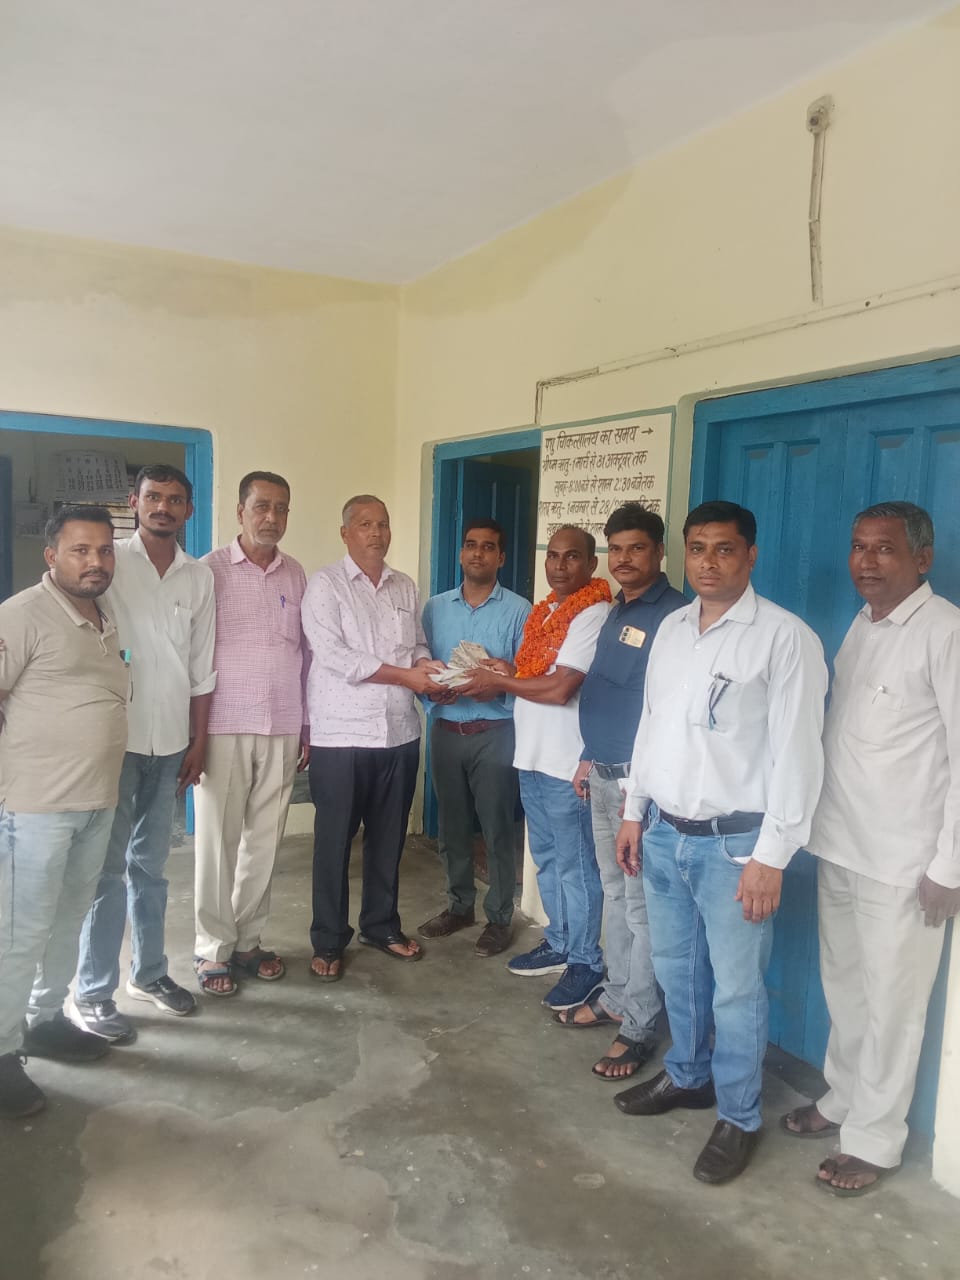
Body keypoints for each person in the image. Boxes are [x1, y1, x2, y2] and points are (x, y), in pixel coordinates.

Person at [614, 500, 827, 1185]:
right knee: (677, 969)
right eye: (699, 548)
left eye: (725, 549)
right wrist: (633, 810)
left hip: (736, 847)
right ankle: (687, 1075)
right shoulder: (673, 629)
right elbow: (650, 725)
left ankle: (738, 1115)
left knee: (736, 992)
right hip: (665, 834)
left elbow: (799, 756)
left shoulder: (783, 639)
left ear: (750, 555)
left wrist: (772, 855)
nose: (709, 562)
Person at [781, 502, 960, 1196]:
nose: (866, 561)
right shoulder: (863, 624)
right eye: (859, 547)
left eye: (884, 549)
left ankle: (877, 1139)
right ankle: (844, 1098)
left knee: (893, 1006)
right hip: (841, 842)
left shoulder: (945, 632)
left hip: (904, 863)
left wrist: (949, 865)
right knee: (846, 986)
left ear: (923, 558)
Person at [72, 466, 216, 1040]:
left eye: (175, 500)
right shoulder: (109, 564)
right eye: (154, 497)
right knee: (104, 871)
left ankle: (150, 973)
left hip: (171, 743)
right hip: (116, 742)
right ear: (134, 502)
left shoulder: (197, 577)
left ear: (189, 510)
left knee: (151, 868)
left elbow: (202, 668)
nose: (163, 507)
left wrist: (198, 740)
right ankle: (92, 991)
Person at [0, 507, 128, 1117]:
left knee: (69, 917)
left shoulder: (105, 614)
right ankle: (1, 1051)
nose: (95, 562)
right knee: (20, 931)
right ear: (51, 555)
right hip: (36, 806)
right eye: (81, 550)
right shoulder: (22, 614)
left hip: (96, 801)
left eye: (104, 550)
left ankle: (45, 1018)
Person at [460, 526, 611, 1011]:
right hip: (532, 757)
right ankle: (560, 942)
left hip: (567, 764)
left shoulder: (593, 614)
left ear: (591, 564)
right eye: (554, 556)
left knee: (576, 866)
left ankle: (586, 961)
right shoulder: (545, 611)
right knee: (546, 858)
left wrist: (499, 683)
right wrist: (507, 670)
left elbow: (561, 688)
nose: (560, 566)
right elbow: (536, 674)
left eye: (573, 557)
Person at [561, 504, 686, 1082]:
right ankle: (615, 994)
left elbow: (666, 711)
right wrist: (589, 754)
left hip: (640, 787)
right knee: (615, 893)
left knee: (641, 908)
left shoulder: (675, 616)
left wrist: (638, 786)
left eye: (636, 548)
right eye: (616, 549)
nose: (624, 559)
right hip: (603, 773)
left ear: (659, 552)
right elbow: (611, 690)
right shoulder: (618, 608)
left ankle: (638, 1023)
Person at [302, 495, 446, 980]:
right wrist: (406, 676)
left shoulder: (404, 585)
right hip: (341, 735)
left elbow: (416, 644)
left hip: (398, 732)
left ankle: (380, 925)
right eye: (365, 524)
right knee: (334, 843)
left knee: (388, 839)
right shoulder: (325, 585)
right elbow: (335, 656)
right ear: (345, 533)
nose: (376, 533)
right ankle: (328, 938)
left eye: (383, 524)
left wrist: (425, 664)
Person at [192, 471, 309, 997]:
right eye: (262, 506)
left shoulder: (295, 574)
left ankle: (247, 941)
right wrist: (192, 731)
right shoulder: (208, 571)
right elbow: (193, 653)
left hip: (282, 722)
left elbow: (304, 653)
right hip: (223, 724)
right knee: (218, 840)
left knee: (265, 841)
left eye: (281, 508)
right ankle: (211, 947)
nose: (272, 517)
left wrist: (306, 723)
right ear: (240, 511)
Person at [419, 519, 531, 958]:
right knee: (452, 828)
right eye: (470, 545)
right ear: (461, 553)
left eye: (488, 547)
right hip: (446, 730)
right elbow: (421, 662)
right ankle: (459, 906)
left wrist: (500, 683)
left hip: (495, 732)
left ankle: (499, 917)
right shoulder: (435, 608)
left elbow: (528, 675)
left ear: (500, 558)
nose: (477, 554)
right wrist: (432, 692)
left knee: (497, 828)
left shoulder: (519, 610)